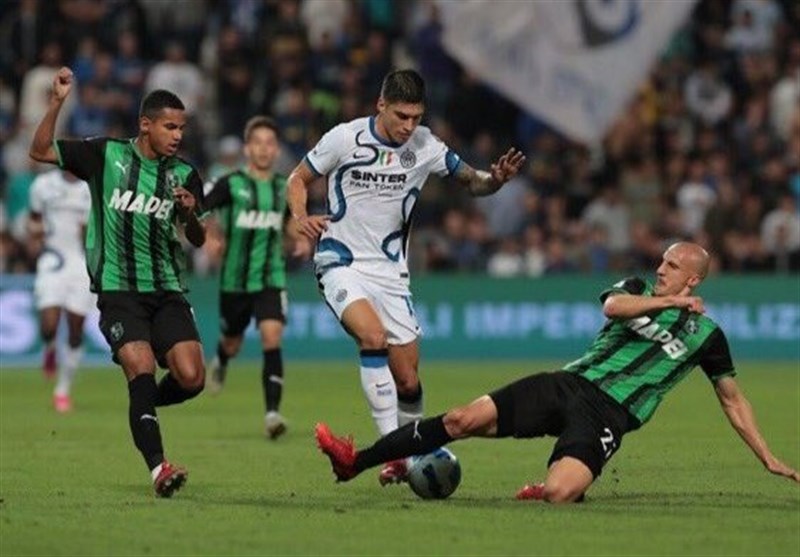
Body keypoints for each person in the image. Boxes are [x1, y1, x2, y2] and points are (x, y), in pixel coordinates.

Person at [315, 242, 800, 502]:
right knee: (461, 420)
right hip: (566, 384)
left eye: (672, 266)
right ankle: (355, 461)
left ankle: (557, 483)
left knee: (559, 494)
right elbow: (612, 307)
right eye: (662, 261)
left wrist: (766, 457)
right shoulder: (638, 289)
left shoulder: (708, 337)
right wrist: (670, 302)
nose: (661, 268)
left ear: (693, 278)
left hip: (609, 416)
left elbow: (732, 399)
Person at [287, 69, 525, 485]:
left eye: (416, 117)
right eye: (401, 116)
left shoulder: (426, 146)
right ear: (381, 105)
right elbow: (297, 178)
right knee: (372, 337)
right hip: (341, 261)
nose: (409, 126)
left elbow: (473, 182)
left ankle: (405, 449)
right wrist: (300, 215)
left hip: (391, 273)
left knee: (409, 382)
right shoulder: (344, 138)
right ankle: (395, 454)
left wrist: (496, 181)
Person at [29, 67, 207, 498]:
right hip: (118, 289)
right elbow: (39, 151)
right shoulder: (105, 155)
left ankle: (142, 405)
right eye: (169, 127)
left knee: (192, 377)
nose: (177, 136)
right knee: (141, 367)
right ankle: (159, 467)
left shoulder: (184, 175)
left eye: (181, 128)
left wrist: (189, 214)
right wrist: (57, 103)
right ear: (145, 125)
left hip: (166, 289)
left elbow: (199, 238)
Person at [204, 115, 306, 439]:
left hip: (270, 277)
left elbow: (290, 224)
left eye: (269, 143)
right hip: (234, 280)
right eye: (257, 143)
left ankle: (272, 414)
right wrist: (210, 236)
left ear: (276, 150)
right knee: (232, 343)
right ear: (247, 149)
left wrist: (301, 238)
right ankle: (222, 358)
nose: (263, 149)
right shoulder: (230, 184)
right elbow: (200, 208)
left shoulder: (283, 188)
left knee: (271, 338)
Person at [28, 168, 95, 412]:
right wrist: (35, 239)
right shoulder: (43, 184)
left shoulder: (89, 188)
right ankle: (49, 348)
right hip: (52, 259)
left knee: (76, 328)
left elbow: (94, 229)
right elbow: (34, 218)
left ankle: (62, 390)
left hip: (79, 262)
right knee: (49, 325)